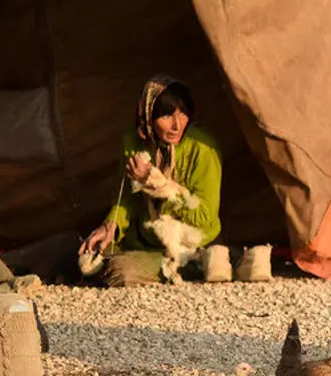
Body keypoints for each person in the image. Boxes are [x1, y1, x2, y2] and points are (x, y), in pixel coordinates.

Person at [78, 74, 231, 287]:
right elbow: (126, 199)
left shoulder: (204, 149)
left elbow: (204, 216)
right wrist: (110, 225)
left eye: (183, 114)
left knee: (119, 271)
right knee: (84, 252)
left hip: (190, 244)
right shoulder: (133, 142)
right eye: (167, 115)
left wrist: (154, 183)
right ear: (148, 115)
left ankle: (200, 263)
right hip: (144, 239)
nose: (177, 125)